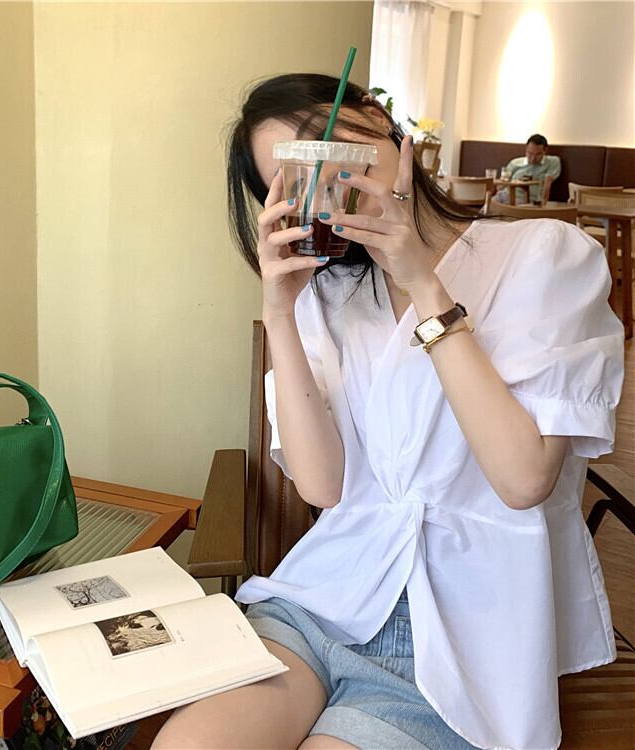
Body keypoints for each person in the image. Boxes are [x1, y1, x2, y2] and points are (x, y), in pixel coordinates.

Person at [152, 75, 624, 750]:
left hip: (462, 639)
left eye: (324, 144)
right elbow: (324, 488)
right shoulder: (331, 293)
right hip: (329, 598)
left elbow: (524, 480)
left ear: (378, 118)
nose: (325, 180)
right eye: (295, 175)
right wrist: (280, 312)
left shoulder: (546, 257)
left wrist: (422, 282)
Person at [494, 133, 561, 204]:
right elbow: (500, 187)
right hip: (503, 195)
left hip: (525, 200)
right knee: (489, 205)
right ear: (526, 150)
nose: (533, 158)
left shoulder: (552, 162)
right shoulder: (515, 162)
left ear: (545, 151)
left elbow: (547, 185)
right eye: (530, 153)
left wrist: (543, 204)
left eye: (538, 154)